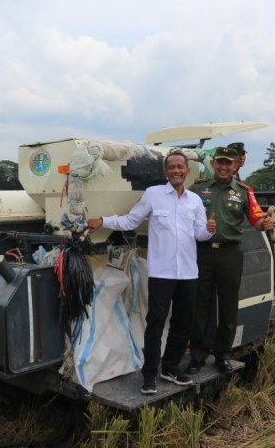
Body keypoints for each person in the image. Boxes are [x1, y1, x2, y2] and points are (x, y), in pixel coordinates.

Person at [87, 150, 216, 395]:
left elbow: (199, 234)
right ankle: (149, 374)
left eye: (180, 167)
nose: (176, 171)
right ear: (165, 172)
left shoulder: (195, 201)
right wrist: (102, 221)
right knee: (155, 323)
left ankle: (170, 366)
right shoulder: (153, 195)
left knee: (183, 323)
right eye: (172, 167)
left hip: (188, 273)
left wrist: (209, 230)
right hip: (162, 273)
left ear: (187, 171)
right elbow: (130, 221)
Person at [187, 146, 273, 374]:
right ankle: (198, 355)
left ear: (236, 166)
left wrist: (264, 223)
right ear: (213, 163)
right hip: (202, 253)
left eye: (229, 163)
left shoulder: (245, 192)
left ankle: (222, 354)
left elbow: (256, 220)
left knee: (228, 305)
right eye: (220, 162)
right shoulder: (197, 188)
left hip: (230, 254)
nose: (224, 167)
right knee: (200, 305)